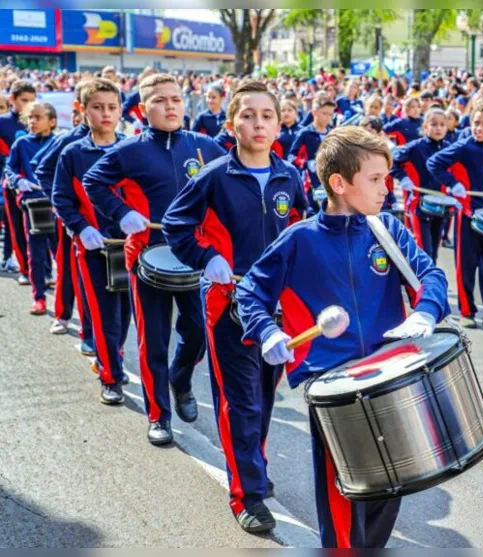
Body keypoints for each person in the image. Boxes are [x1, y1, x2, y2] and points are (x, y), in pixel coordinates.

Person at [235, 126, 451, 548]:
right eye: (374, 180)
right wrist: (267, 330)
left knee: (392, 484)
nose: (385, 188)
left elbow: (430, 274)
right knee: (344, 492)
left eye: (387, 178)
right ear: (338, 182)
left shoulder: (387, 230)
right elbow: (251, 291)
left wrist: (426, 311)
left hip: (391, 375)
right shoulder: (300, 239)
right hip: (334, 386)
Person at [163, 81, 308, 534]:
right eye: (248, 115)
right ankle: (246, 493)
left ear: (280, 121)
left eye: (267, 114)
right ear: (232, 124)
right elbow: (175, 225)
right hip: (228, 306)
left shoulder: (291, 177)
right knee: (240, 400)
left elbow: (303, 232)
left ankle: (253, 468)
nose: (259, 123)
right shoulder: (213, 177)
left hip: (277, 311)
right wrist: (209, 259)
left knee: (264, 397)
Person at [84, 73, 226, 446]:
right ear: (144, 109)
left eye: (176, 100)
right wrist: (121, 212)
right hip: (147, 258)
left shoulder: (205, 147)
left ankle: (180, 379)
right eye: (161, 101)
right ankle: (158, 415)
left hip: (195, 257)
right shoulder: (129, 150)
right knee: (154, 340)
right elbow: (93, 183)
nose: (171, 107)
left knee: (197, 331)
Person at [52, 78, 130, 403]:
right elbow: (61, 197)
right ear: (83, 112)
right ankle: (110, 376)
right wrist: (81, 228)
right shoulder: (72, 153)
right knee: (103, 314)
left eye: (112, 107)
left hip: (129, 248)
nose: (105, 114)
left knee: (124, 314)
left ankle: (113, 356)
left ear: (121, 110)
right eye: (97, 107)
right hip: (93, 248)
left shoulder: (132, 148)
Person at [427, 101, 483, 329]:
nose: (479, 128)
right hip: (469, 214)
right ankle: (467, 311)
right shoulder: (464, 147)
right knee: (467, 265)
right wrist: (453, 184)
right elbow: (434, 163)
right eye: (475, 123)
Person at [34, 80, 93, 338]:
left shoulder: (119, 140)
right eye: (94, 106)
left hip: (104, 221)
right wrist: (61, 203)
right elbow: (42, 170)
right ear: (80, 109)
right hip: (73, 219)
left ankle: (95, 332)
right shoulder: (70, 140)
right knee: (68, 270)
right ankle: (63, 315)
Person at [4, 101, 57, 315]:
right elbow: (10, 168)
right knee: (34, 252)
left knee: (60, 254)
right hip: (32, 204)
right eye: (30, 117)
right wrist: (18, 181)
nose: (33, 121)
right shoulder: (22, 144)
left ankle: (65, 302)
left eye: (38, 117)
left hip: (57, 206)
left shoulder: (61, 142)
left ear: (52, 121)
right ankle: (39, 298)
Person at [390, 107, 449, 263]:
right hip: (419, 203)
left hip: (441, 205)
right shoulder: (415, 147)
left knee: (435, 250)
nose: (438, 128)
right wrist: (403, 178)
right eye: (434, 124)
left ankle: (431, 283)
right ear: (425, 127)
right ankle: (419, 285)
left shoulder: (449, 148)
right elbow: (392, 162)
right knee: (424, 249)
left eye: (442, 124)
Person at [0, 79, 37, 284]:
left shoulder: (37, 119)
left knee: (36, 231)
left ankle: (41, 270)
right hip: (9, 182)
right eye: (24, 100)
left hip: (34, 185)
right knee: (13, 226)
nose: (29, 105)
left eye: (32, 100)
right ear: (12, 99)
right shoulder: (3, 122)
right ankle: (14, 262)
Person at [289, 96, 336, 211]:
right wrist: (306, 163)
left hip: (329, 180)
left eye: (330, 114)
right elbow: (291, 156)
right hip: (309, 181)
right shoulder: (305, 133)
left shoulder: (332, 133)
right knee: (311, 211)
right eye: (324, 113)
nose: (327, 117)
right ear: (314, 112)